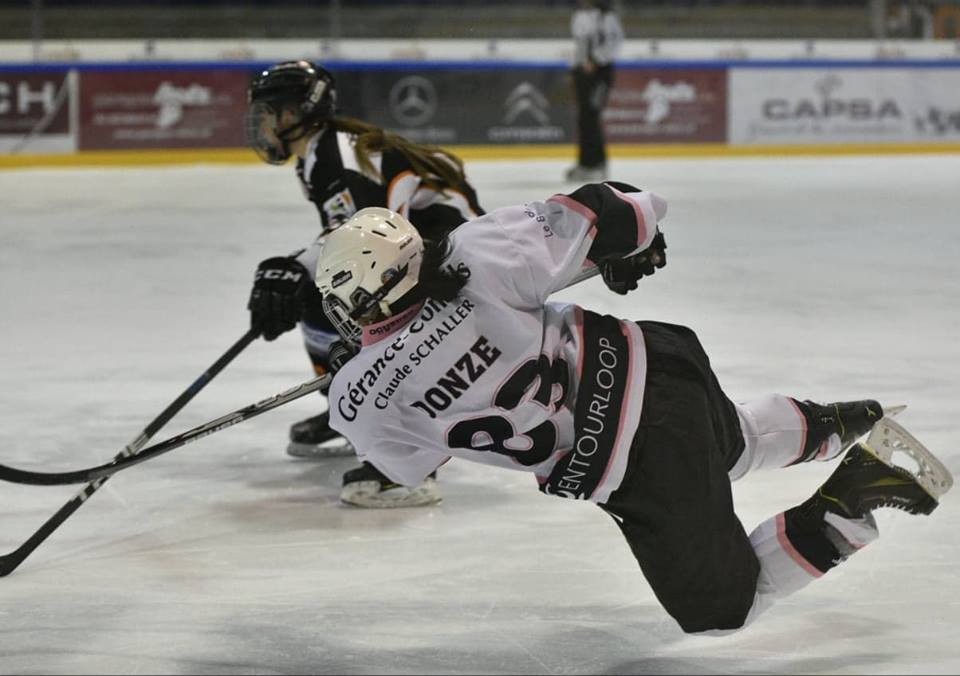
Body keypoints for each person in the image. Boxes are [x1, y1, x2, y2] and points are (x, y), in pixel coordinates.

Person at [312, 183, 953, 633]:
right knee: (723, 445)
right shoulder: (472, 254)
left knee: (720, 610)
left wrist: (356, 379)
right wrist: (627, 249)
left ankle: (864, 491)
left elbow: (407, 470)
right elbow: (626, 208)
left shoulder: (362, 398)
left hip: (630, 460)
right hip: (662, 363)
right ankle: (837, 422)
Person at [244, 59, 484, 508]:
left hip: (456, 274)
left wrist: (292, 267)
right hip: (436, 261)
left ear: (294, 113)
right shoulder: (323, 154)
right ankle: (349, 409)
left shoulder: (334, 153)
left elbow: (361, 236)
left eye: (269, 112)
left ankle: (407, 456)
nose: (263, 124)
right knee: (324, 298)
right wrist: (298, 272)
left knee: (357, 299)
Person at [565, 0, 624, 183]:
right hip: (582, 72)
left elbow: (615, 41)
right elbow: (581, 43)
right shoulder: (579, 14)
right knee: (583, 117)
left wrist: (596, 60)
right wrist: (577, 67)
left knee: (592, 115)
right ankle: (585, 163)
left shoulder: (607, 16)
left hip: (600, 73)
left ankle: (598, 164)